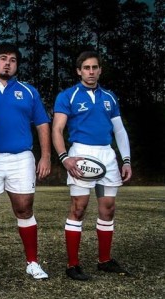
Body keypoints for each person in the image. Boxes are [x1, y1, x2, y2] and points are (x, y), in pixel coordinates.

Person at [0, 43, 51, 280]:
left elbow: (42, 124)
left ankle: (32, 263)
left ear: (17, 65)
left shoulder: (29, 91)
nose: (8, 63)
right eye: (3, 58)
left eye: (13, 60)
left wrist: (45, 156)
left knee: (24, 208)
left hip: (21, 158)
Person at [52, 50, 132, 281]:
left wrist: (125, 160)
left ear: (100, 70)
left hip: (106, 155)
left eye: (94, 67)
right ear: (79, 71)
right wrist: (64, 157)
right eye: (86, 68)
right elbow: (57, 129)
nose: (91, 72)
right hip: (81, 154)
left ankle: (104, 260)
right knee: (79, 208)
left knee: (108, 209)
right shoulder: (68, 96)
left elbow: (119, 130)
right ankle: (72, 264)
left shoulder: (110, 97)